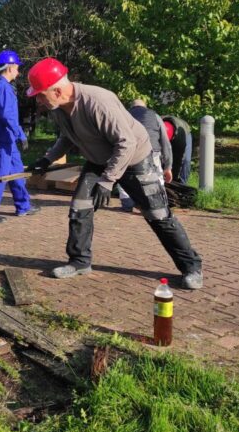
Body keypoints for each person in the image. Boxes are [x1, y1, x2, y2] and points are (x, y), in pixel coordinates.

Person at [25, 58, 203, 289]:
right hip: (99, 160)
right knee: (80, 208)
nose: (38, 99)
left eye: (40, 94)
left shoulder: (97, 102)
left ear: (57, 91)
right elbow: (67, 137)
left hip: (136, 159)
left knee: (158, 215)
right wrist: (47, 159)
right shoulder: (58, 108)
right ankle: (79, 261)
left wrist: (108, 181)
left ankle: (192, 267)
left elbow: (126, 143)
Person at [0, 49, 40, 224]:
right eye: (17, 67)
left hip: (8, 139)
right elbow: (7, 115)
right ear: (10, 67)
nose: (18, 71)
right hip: (5, 139)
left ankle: (23, 206)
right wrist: (21, 134)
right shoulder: (3, 88)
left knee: (17, 173)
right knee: (0, 176)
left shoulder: (2, 87)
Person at [117, 98, 173, 211]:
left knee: (123, 173)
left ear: (131, 107)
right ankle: (158, 204)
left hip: (129, 148)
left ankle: (127, 202)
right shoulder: (154, 116)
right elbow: (165, 141)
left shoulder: (124, 115)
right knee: (156, 177)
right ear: (145, 107)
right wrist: (168, 166)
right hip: (152, 149)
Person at [162, 114, 193, 184]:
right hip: (166, 132)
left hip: (185, 132)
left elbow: (179, 158)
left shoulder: (180, 136)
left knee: (186, 161)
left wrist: (174, 178)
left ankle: (182, 184)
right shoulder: (156, 128)